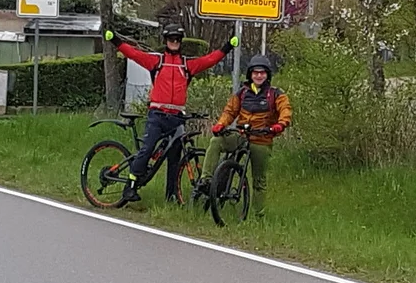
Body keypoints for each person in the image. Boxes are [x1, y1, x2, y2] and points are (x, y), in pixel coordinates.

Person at [103, 24, 238, 202]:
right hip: (157, 115)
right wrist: (115, 40)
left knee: (174, 157)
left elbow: (210, 60)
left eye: (177, 39)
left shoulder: (187, 65)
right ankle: (130, 186)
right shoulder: (157, 62)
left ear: (180, 41)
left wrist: (228, 46)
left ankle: (171, 195)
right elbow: (134, 54)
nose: (174, 42)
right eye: (170, 39)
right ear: (166, 41)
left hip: (177, 118)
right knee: (147, 149)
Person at [200, 54, 292, 217]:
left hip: (261, 139)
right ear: (250, 74)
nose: (258, 75)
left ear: (267, 75)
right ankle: (206, 180)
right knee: (216, 141)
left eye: (262, 72)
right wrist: (221, 124)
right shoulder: (242, 93)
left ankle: (259, 215)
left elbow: (285, 111)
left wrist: (279, 125)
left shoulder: (275, 94)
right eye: (255, 72)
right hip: (241, 135)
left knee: (259, 180)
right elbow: (230, 111)